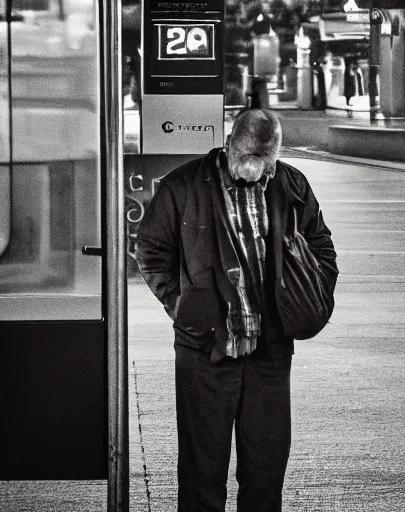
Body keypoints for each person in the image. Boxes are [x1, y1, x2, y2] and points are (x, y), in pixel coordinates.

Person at [135, 109, 338, 511]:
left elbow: (321, 246)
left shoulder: (291, 184)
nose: (255, 166)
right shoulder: (184, 185)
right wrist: (183, 305)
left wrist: (312, 294)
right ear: (230, 143)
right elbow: (151, 251)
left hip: (270, 351)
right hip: (206, 351)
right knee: (201, 474)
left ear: (276, 153)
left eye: (265, 158)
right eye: (247, 154)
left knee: (266, 470)